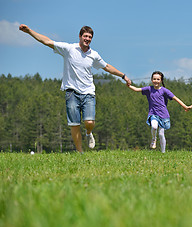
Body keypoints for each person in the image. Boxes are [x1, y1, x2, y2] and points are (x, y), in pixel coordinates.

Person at [19, 24, 131, 153]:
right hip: (71, 92)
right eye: (85, 36)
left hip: (88, 92)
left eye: (90, 37)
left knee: (89, 122)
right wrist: (29, 31)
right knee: (74, 124)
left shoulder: (93, 55)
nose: (87, 39)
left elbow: (106, 67)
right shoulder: (69, 49)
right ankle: (80, 152)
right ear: (80, 36)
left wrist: (123, 75)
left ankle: (89, 133)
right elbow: (47, 41)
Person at [127, 71, 188, 153]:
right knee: (154, 126)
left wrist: (184, 106)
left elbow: (175, 98)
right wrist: (129, 85)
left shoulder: (164, 90)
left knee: (161, 134)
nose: (156, 81)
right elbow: (137, 89)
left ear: (161, 80)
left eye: (158, 79)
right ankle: (153, 139)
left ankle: (163, 152)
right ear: (152, 80)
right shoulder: (149, 89)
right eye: (154, 79)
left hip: (163, 115)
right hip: (153, 114)